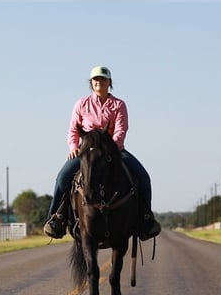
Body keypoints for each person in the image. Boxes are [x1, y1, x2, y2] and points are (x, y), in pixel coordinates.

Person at [43, 65, 161, 241]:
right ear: (91, 83)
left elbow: (121, 130)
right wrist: (73, 147)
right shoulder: (81, 104)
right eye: (96, 80)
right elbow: (73, 130)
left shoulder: (119, 105)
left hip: (114, 150)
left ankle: (145, 219)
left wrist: (111, 148)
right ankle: (56, 218)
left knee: (143, 177)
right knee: (62, 178)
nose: (99, 82)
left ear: (109, 82)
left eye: (103, 79)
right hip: (86, 151)